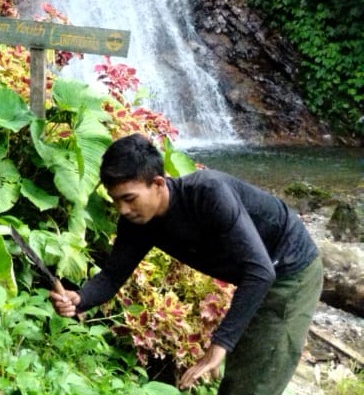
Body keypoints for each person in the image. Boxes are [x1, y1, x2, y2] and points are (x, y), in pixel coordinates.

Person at [50, 133, 322, 393]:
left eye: (129, 198)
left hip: (289, 270)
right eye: (116, 200)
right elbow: (111, 277)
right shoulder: (138, 222)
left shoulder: (208, 194)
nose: (122, 209)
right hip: (254, 273)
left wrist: (220, 344)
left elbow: (261, 272)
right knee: (241, 376)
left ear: (158, 183)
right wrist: (79, 298)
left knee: (257, 379)